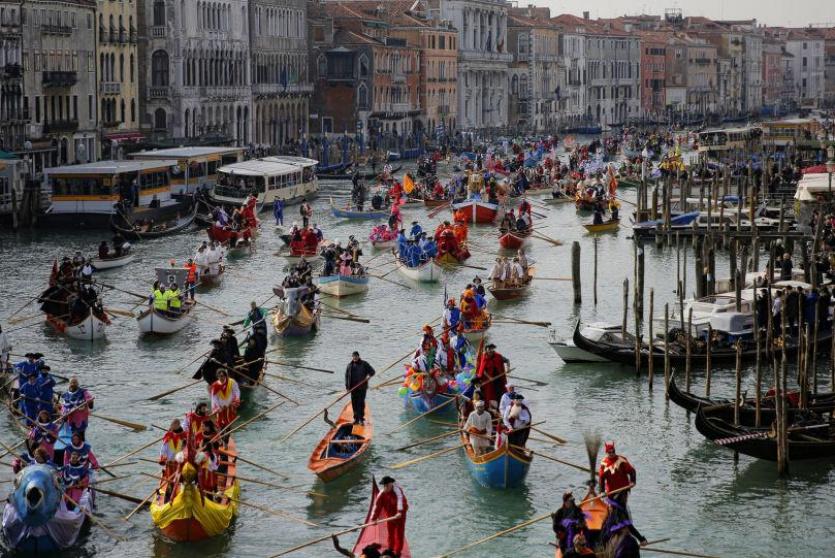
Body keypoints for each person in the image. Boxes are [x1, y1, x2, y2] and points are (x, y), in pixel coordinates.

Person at [370, 476, 408, 557]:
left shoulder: (398, 492)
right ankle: (390, 549)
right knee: (390, 534)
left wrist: (400, 512)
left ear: (391, 484)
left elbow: (403, 503)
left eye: (387, 485)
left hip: (400, 517)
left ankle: (398, 553)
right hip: (389, 517)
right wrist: (374, 519)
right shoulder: (382, 494)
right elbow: (377, 506)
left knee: (399, 535)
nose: (385, 487)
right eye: (384, 485)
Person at [476, 343, 509, 411]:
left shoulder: (498, 356)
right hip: (488, 380)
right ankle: (489, 407)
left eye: (492, 349)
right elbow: (482, 370)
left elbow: (507, 361)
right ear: (486, 350)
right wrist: (489, 377)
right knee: (489, 394)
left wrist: (508, 369)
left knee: (500, 392)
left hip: (499, 378)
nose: (490, 351)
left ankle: (501, 407)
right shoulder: (484, 357)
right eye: (489, 349)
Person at [345, 351, 375, 425]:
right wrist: (347, 387)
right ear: (352, 357)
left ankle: (361, 419)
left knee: (360, 403)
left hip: (362, 388)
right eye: (353, 356)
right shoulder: (349, 365)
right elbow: (346, 376)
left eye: (356, 356)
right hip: (353, 388)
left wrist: (368, 377)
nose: (355, 357)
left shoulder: (364, 364)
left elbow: (372, 372)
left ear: (358, 356)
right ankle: (356, 419)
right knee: (354, 403)